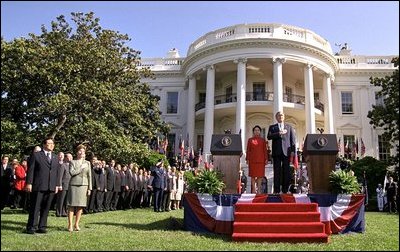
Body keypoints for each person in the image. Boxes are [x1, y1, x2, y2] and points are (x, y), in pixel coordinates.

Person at [25, 137, 61, 234]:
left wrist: (57, 185)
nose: (52, 145)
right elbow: (31, 170)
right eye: (49, 143)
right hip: (38, 185)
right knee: (35, 207)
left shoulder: (55, 157)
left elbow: (57, 172)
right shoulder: (36, 155)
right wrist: (29, 183)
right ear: (44, 145)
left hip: (51, 186)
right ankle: (31, 227)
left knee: (46, 208)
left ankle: (42, 226)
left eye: (53, 143)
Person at [267, 111, 296, 194]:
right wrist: (278, 133)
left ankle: (285, 190)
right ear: (276, 117)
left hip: (286, 152)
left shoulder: (289, 127)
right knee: (276, 171)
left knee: (286, 171)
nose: (281, 117)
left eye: (282, 115)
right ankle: (276, 190)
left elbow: (292, 140)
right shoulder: (272, 127)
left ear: (284, 117)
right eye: (279, 115)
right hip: (276, 152)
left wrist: (293, 151)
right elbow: (269, 136)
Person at [67, 144, 92, 232]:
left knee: (80, 206)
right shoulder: (72, 162)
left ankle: (76, 224)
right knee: (71, 205)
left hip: (84, 186)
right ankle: (70, 224)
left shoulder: (88, 163)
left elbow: (89, 176)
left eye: (83, 151)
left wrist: (89, 188)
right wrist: (80, 168)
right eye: (80, 151)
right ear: (77, 152)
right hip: (74, 185)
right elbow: (72, 173)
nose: (82, 152)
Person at [246, 125, 268, 193]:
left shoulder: (263, 140)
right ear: (253, 132)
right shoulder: (250, 140)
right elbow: (248, 150)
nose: (256, 131)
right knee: (253, 175)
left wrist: (266, 159)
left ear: (260, 132)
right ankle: (253, 190)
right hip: (252, 160)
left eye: (258, 130)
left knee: (260, 176)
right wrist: (247, 159)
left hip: (261, 160)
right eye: (255, 130)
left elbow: (265, 150)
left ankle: (259, 190)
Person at [56, 153, 72, 217]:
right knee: (61, 199)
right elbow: (60, 176)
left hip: (69, 185)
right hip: (63, 185)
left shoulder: (71, 165)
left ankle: (64, 212)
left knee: (66, 200)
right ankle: (58, 212)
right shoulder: (63, 165)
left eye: (71, 157)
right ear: (65, 158)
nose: (70, 158)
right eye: (69, 157)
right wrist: (59, 185)